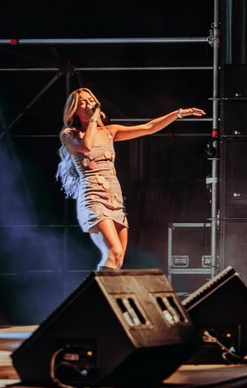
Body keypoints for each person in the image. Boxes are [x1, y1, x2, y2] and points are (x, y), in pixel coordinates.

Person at [54, 87, 204, 270]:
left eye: (90, 100)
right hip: (93, 197)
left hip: (114, 198)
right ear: (74, 110)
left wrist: (178, 113)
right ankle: (96, 289)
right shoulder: (70, 134)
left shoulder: (110, 131)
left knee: (118, 260)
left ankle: (106, 287)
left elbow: (148, 128)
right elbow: (87, 146)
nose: (88, 104)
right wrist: (93, 119)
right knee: (114, 252)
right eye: (82, 102)